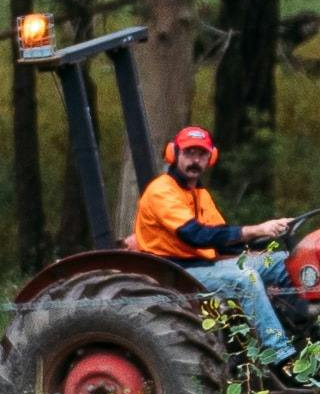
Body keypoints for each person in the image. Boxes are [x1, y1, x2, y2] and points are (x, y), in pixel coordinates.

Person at [130, 124, 310, 361]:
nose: (195, 160)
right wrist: (256, 229)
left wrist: (267, 237)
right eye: (189, 153)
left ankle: (306, 331)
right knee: (245, 278)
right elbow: (196, 235)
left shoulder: (199, 194)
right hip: (176, 271)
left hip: (203, 266)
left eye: (201, 154)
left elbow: (223, 240)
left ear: (211, 158)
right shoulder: (161, 191)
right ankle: (281, 356)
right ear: (174, 154)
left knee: (284, 262)